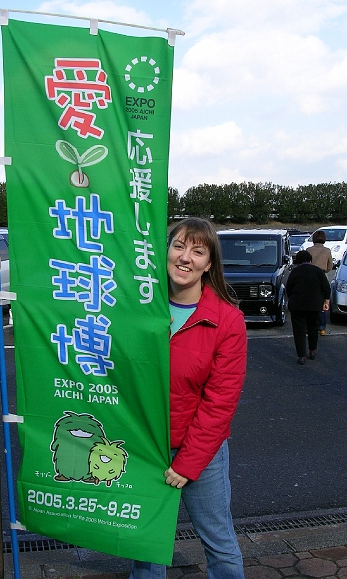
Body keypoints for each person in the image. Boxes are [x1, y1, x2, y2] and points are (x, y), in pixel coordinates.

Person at [130, 218, 247, 579]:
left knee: (219, 541)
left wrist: (187, 463)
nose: (185, 258)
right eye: (178, 246)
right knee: (145, 546)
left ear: (209, 264)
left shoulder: (227, 321)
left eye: (197, 251)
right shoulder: (138, 308)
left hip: (200, 452)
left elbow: (220, 403)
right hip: (145, 446)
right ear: (164, 252)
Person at [285, 250, 330, 365]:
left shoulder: (295, 272)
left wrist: (292, 299)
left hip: (297, 305)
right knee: (313, 328)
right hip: (314, 304)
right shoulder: (318, 271)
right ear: (310, 260)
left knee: (299, 330)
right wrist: (326, 301)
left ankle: (301, 356)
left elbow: (288, 288)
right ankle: (313, 350)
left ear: (298, 261)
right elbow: (326, 287)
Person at [306, 230, 333, 335]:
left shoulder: (309, 250)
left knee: (309, 302)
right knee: (322, 303)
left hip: (310, 276)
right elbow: (330, 266)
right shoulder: (327, 251)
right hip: (322, 276)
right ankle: (322, 328)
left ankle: (309, 327)